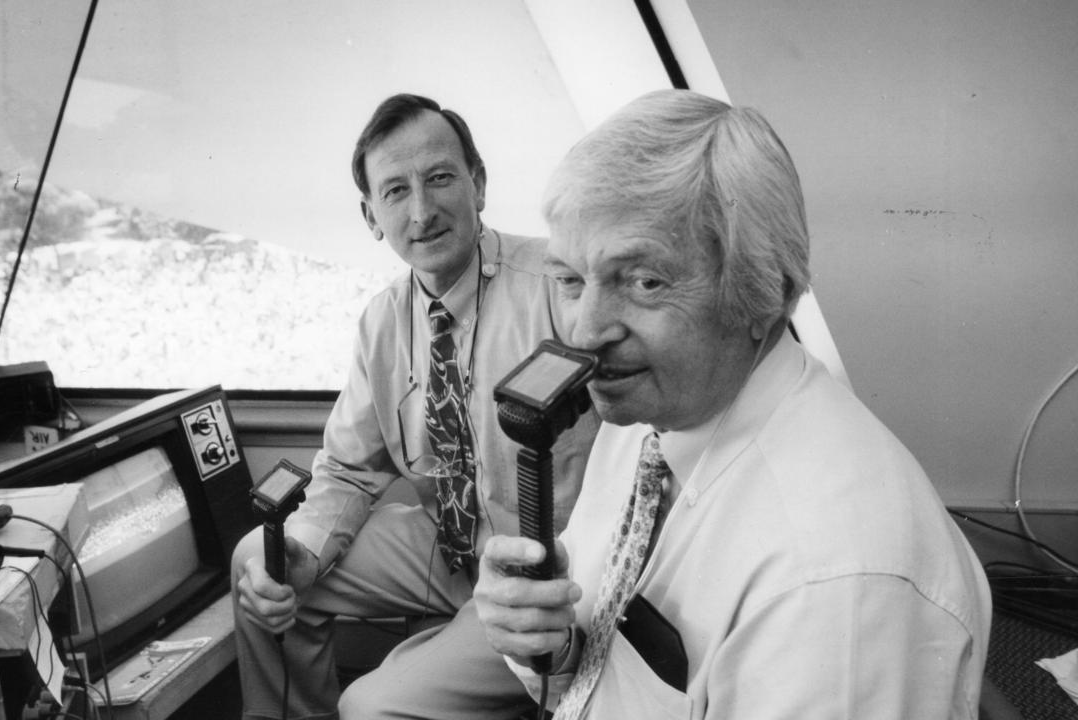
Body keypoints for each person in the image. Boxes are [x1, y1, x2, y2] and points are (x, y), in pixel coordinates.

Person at [473, 89, 992, 719]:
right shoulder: (647, 415)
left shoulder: (833, 582)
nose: (585, 333)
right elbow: (598, 669)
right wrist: (548, 645)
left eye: (645, 281)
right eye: (572, 281)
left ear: (761, 291)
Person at [231, 93, 598, 720]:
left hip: (538, 568)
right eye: (396, 191)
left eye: (440, 178)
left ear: (478, 184)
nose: (422, 211)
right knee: (260, 563)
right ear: (372, 215)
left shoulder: (562, 288)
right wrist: (303, 554)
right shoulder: (382, 321)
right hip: (449, 547)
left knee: (371, 707)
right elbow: (348, 468)